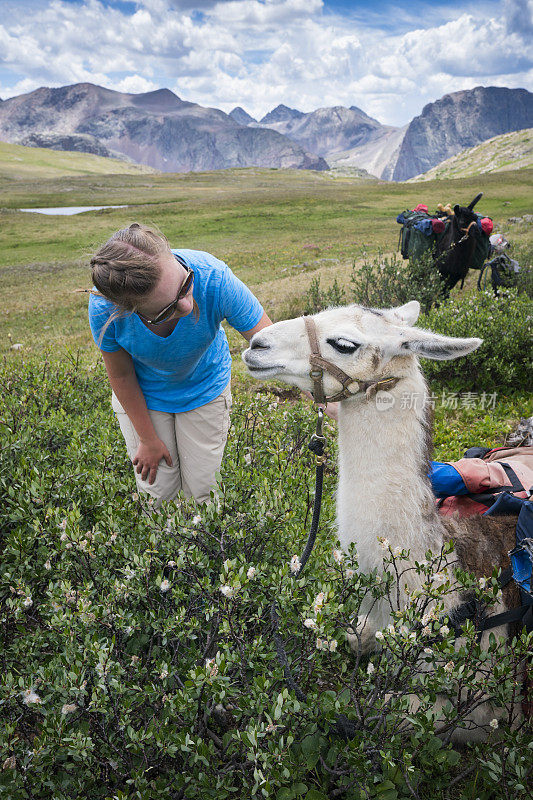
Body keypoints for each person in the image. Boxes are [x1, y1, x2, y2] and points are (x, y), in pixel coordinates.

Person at [86, 223, 272, 507]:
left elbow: (271, 344)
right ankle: (164, 548)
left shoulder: (214, 278)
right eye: (166, 311)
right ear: (130, 309)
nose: (186, 306)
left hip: (204, 389)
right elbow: (122, 375)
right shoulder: (105, 308)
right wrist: (147, 440)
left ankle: (201, 546)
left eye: (185, 284)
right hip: (144, 397)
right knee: (158, 494)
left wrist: (322, 393)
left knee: (204, 492)